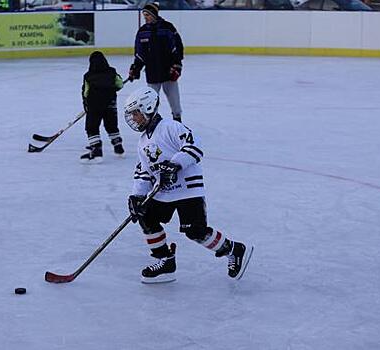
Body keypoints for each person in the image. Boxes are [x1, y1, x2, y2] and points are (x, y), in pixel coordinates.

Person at [124, 87, 254, 283]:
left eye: (136, 113)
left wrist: (175, 164)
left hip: (187, 191)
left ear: (148, 108)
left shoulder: (170, 127)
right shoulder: (142, 141)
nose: (133, 118)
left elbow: (194, 146)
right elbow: (143, 172)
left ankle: (233, 249)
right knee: (146, 216)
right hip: (163, 193)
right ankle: (165, 261)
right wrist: (137, 196)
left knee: (196, 232)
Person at [128, 2, 184, 122]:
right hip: (152, 72)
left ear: (154, 14)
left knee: (174, 101)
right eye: (144, 15)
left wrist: (177, 66)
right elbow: (140, 54)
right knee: (151, 101)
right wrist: (135, 68)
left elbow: (177, 48)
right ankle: (153, 123)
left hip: (169, 71)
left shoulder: (168, 28)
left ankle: (177, 120)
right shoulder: (142, 32)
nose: (145, 18)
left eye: (147, 15)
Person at [80, 51, 125, 163]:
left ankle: (96, 149)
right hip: (110, 104)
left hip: (94, 106)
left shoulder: (88, 76)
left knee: (92, 127)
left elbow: (86, 92)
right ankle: (118, 145)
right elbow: (120, 84)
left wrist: (86, 104)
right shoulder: (112, 72)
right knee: (111, 126)